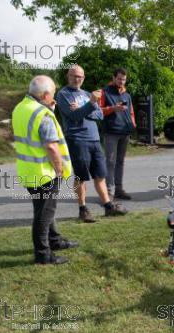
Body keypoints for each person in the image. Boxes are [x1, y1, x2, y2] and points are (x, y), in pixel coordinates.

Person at [12, 75, 78, 264]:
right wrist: (59, 169)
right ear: (46, 94)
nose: (54, 97)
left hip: (29, 170)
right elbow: (50, 146)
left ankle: (54, 240)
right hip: (44, 172)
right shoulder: (43, 114)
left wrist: (48, 108)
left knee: (45, 209)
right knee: (44, 214)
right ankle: (43, 254)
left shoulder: (20, 108)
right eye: (53, 94)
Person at [56, 65, 127, 222]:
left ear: (84, 77)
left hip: (94, 138)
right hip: (77, 139)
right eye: (74, 76)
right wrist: (89, 106)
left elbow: (100, 114)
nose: (77, 79)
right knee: (81, 176)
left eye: (80, 76)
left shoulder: (87, 94)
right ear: (68, 76)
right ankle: (83, 209)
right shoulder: (63, 95)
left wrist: (83, 108)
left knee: (100, 174)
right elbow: (74, 116)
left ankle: (108, 206)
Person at [100, 67, 136, 201]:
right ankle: (108, 192)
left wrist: (132, 124)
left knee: (120, 162)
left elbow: (131, 112)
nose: (121, 81)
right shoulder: (104, 92)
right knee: (109, 162)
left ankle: (119, 189)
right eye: (119, 78)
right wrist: (113, 108)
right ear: (113, 78)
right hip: (111, 132)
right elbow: (98, 111)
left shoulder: (127, 94)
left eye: (124, 79)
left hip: (125, 132)